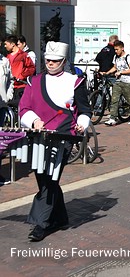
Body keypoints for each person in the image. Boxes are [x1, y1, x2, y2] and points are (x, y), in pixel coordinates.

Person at [18, 41, 91, 242]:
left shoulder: (75, 81)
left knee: (50, 179)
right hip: (38, 136)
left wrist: (82, 125)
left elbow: (85, 111)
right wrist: (34, 120)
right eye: (48, 60)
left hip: (63, 137)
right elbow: (23, 108)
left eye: (55, 61)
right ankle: (59, 217)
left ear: (64, 61)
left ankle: (39, 224)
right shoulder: (34, 81)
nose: (50, 63)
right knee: (43, 178)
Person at [102, 40, 130, 126]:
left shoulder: (128, 57)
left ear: (122, 48)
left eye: (117, 49)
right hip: (118, 82)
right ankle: (112, 118)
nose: (115, 51)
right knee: (114, 100)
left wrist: (121, 72)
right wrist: (107, 73)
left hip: (127, 82)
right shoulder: (116, 57)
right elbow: (115, 67)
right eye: (114, 49)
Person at [5, 35, 36, 106]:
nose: (5, 46)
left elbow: (31, 68)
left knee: (21, 107)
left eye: (6, 44)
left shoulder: (24, 55)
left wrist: (22, 76)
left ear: (12, 44)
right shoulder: (7, 57)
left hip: (21, 86)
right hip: (10, 87)